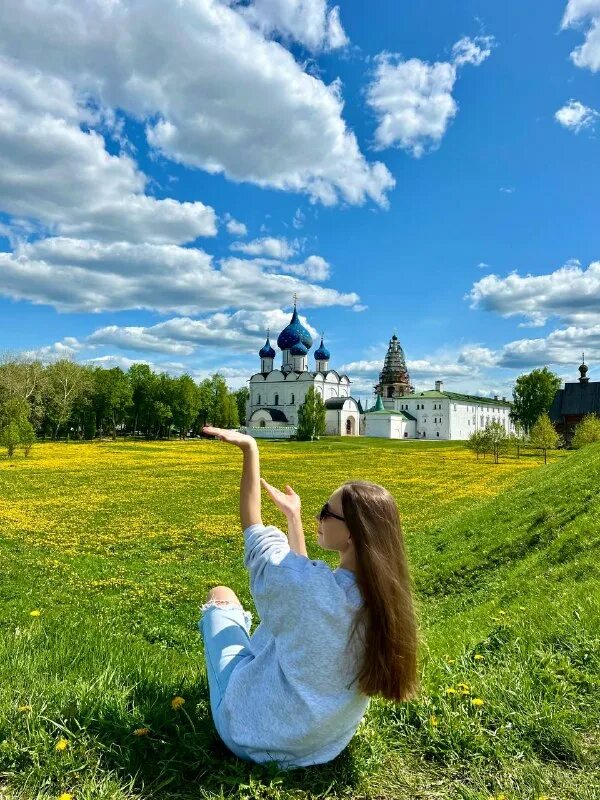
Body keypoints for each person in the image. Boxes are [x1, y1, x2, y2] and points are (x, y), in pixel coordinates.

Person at [198, 425, 419, 770]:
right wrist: (293, 517)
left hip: (249, 732)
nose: (320, 517)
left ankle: (241, 644)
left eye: (326, 513)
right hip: (322, 744)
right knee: (283, 620)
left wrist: (250, 450)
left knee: (222, 595)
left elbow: (253, 528)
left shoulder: (310, 588)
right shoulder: (384, 605)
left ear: (350, 533)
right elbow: (300, 581)